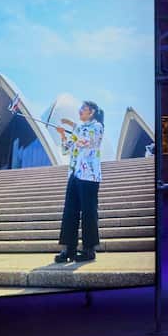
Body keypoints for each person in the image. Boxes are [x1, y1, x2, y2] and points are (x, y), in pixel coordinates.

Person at [55, 101, 104, 264]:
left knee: (89, 211)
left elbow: (88, 141)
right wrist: (63, 135)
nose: (80, 110)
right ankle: (68, 249)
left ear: (92, 112)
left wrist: (72, 125)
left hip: (89, 176)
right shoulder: (79, 130)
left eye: (84, 109)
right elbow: (65, 149)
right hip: (74, 174)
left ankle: (89, 249)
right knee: (70, 211)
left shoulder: (97, 126)